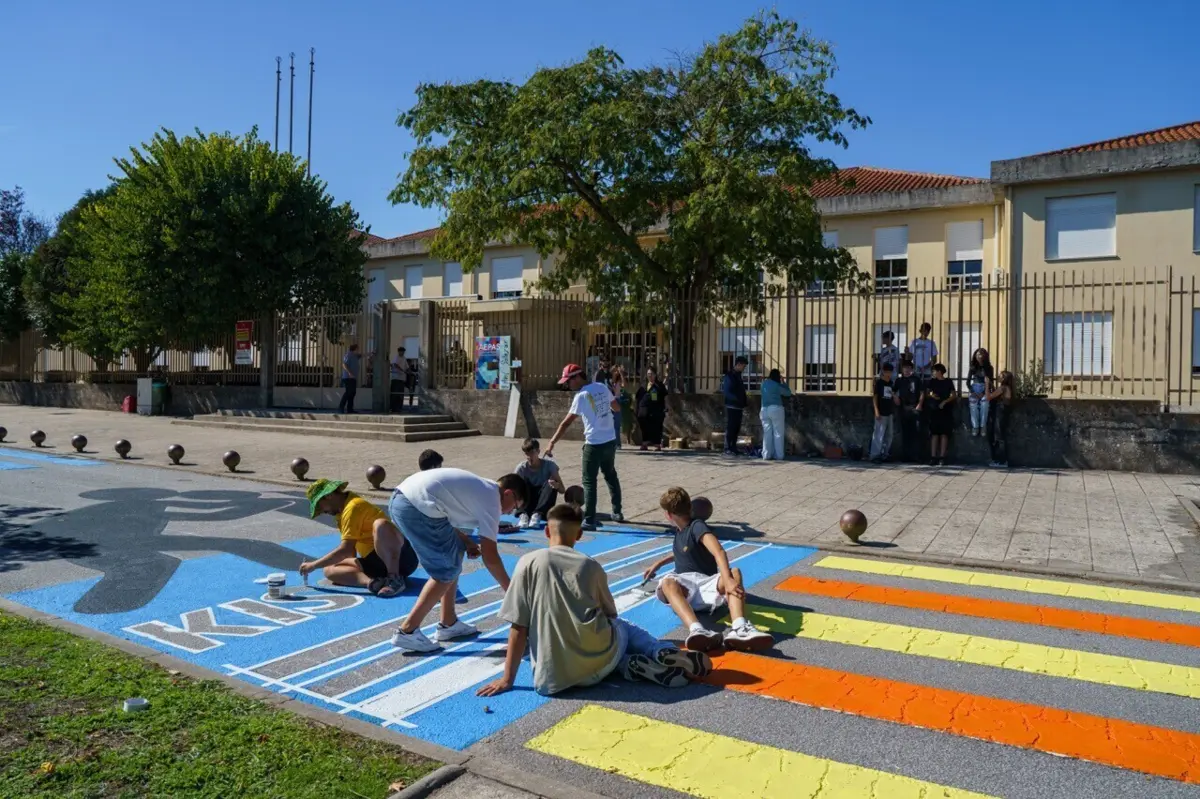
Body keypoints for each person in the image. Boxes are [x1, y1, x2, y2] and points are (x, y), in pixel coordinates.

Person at [476, 504, 713, 697]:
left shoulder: (526, 563)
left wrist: (507, 680)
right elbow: (610, 614)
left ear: (547, 532)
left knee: (582, 644)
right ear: (579, 535)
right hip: (600, 661)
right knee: (623, 628)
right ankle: (659, 650)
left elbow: (518, 626)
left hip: (552, 681)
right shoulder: (589, 565)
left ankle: (629, 665)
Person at [387, 467, 525, 652]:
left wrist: (467, 542)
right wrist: (511, 592)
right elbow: (490, 557)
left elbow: (446, 521)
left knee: (455, 551)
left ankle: (448, 623)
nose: (510, 513)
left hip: (401, 500)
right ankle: (407, 631)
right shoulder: (492, 501)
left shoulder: (481, 488)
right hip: (416, 507)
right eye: (515, 506)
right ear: (508, 493)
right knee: (445, 571)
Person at [642, 487, 774, 652]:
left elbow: (718, 551)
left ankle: (740, 628)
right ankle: (698, 630)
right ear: (689, 507)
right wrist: (659, 563)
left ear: (668, 515)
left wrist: (727, 580)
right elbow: (683, 552)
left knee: (734, 573)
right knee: (668, 582)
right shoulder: (680, 532)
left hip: (707, 585)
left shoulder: (697, 526)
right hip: (687, 589)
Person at [300, 479, 419, 598]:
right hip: (375, 563)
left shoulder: (354, 506)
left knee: (380, 524)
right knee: (329, 569)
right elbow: (350, 554)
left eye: (320, 506)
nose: (323, 512)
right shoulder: (341, 513)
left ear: (329, 496)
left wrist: (313, 565)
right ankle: (373, 583)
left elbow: (345, 550)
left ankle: (394, 579)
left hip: (402, 559)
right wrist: (344, 573)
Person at [544, 364, 622, 531]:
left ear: (578, 377)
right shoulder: (601, 387)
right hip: (610, 441)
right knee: (610, 475)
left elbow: (566, 423)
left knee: (589, 482)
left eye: (569, 380)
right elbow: (616, 407)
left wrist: (552, 442)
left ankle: (589, 519)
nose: (568, 384)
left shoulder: (581, 396)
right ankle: (617, 512)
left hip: (593, 444)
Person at [515, 438, 565, 528]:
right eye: (526, 454)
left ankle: (537, 515)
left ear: (538, 451)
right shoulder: (521, 468)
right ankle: (523, 515)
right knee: (519, 484)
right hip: (527, 502)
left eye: (532, 453)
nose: (529, 457)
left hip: (543, 503)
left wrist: (556, 485)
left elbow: (562, 490)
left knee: (550, 484)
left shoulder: (550, 466)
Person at [923, 363, 957, 467]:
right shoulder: (932, 382)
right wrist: (932, 396)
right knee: (934, 433)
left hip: (945, 409)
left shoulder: (948, 381)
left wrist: (945, 401)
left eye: (934, 371)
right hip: (934, 409)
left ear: (939, 371)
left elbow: (953, 395)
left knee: (944, 434)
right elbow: (927, 393)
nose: (933, 373)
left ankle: (942, 457)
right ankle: (933, 457)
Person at [894, 358, 924, 462]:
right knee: (905, 433)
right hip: (903, 409)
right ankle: (906, 456)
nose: (906, 370)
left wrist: (920, 404)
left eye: (908, 368)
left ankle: (917, 456)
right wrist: (895, 397)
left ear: (911, 369)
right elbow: (892, 390)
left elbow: (922, 392)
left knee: (916, 433)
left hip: (915, 407)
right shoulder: (899, 380)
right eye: (904, 368)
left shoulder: (916, 379)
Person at [759, 368, 792, 461]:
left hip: (764, 409)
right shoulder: (777, 385)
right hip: (776, 409)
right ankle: (779, 455)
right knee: (778, 433)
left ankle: (766, 455)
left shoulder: (763, 384)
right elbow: (788, 393)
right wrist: (783, 382)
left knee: (767, 433)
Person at [870, 362, 898, 463]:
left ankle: (885, 454)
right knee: (878, 434)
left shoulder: (891, 383)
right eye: (886, 372)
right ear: (883, 372)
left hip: (889, 412)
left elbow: (894, 398)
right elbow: (875, 398)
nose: (888, 374)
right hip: (881, 412)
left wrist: (894, 396)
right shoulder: (879, 383)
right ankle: (875, 455)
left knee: (889, 435)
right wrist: (876, 411)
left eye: (890, 372)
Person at [721, 356, 749, 457]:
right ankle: (727, 448)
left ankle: (733, 448)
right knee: (731, 427)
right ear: (738, 364)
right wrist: (737, 400)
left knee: (736, 428)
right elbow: (728, 392)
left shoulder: (738, 375)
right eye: (743, 366)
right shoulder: (730, 375)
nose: (744, 368)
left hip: (738, 406)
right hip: (732, 406)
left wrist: (743, 401)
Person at [635, 367, 668, 452]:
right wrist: (637, 409)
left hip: (656, 410)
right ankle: (645, 443)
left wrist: (664, 409)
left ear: (655, 375)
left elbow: (665, 397)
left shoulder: (659, 386)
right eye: (648, 374)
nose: (649, 376)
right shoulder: (643, 385)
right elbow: (638, 398)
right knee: (644, 427)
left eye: (651, 374)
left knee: (656, 427)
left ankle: (657, 445)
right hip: (644, 411)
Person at [988, 370, 1015, 468]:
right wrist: (991, 385)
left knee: (999, 437)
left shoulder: (1003, 388)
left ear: (1004, 378)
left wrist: (987, 385)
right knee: (1000, 436)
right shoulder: (1008, 388)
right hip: (1003, 413)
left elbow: (989, 397)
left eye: (1000, 376)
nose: (998, 377)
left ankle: (1001, 461)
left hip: (1000, 413)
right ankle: (1001, 460)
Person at [967, 348, 995, 437]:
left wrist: (983, 392)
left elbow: (990, 382)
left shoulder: (989, 368)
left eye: (981, 354)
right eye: (978, 354)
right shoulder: (972, 367)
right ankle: (975, 427)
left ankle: (983, 426)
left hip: (985, 388)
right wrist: (973, 392)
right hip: (974, 388)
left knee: (985, 404)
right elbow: (967, 382)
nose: (979, 356)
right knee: (973, 404)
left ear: (985, 356)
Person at [338, 343, 360, 414]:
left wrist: (371, 353)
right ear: (355, 349)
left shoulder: (355, 356)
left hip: (353, 378)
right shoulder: (348, 355)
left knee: (353, 393)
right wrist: (349, 373)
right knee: (348, 392)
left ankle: (350, 409)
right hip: (348, 377)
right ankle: (341, 407)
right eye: (357, 349)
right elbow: (344, 364)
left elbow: (363, 355)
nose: (358, 350)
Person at [390, 346, 412, 411]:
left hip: (402, 379)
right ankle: (393, 407)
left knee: (400, 394)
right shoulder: (396, 357)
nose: (402, 353)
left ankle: (399, 407)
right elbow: (395, 365)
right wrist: (403, 370)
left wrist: (409, 371)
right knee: (395, 393)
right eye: (401, 351)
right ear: (399, 351)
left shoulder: (404, 358)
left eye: (403, 352)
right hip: (396, 378)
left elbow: (407, 367)